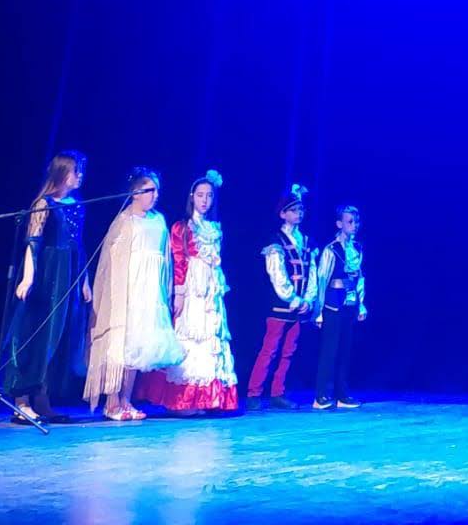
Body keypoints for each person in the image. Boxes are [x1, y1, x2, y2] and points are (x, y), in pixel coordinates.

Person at [83, 168, 184, 419]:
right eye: (149, 190)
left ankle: (126, 400)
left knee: (138, 348)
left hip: (150, 292)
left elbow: (166, 261)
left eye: (157, 190)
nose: (155, 195)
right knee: (121, 345)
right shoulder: (125, 221)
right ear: (135, 193)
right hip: (128, 292)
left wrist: (167, 292)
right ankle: (112, 402)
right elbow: (111, 262)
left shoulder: (159, 221)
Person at [136, 171, 237, 414]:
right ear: (192, 197)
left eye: (209, 196)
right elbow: (179, 261)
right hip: (192, 287)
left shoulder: (214, 227)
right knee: (191, 336)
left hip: (211, 288)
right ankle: (183, 399)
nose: (204, 200)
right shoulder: (182, 227)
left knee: (212, 337)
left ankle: (209, 398)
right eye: (200, 195)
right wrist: (179, 293)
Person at [1, 149, 88, 423]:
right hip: (46, 274)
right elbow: (33, 243)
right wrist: (28, 277)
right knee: (32, 333)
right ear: (62, 173)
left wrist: (84, 280)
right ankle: (21, 401)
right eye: (76, 170)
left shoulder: (77, 205)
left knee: (55, 337)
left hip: (67, 275)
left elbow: (79, 245)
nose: (80, 175)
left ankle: (42, 399)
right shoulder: (44, 203)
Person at [245, 185, 314, 410]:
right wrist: (292, 298)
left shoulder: (306, 241)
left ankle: (278, 393)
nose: (298, 214)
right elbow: (277, 274)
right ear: (283, 214)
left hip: (299, 306)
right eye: (293, 210)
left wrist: (308, 300)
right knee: (270, 349)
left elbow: (312, 273)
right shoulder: (276, 241)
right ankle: (254, 393)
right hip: (281, 305)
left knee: (289, 351)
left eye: (301, 210)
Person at [312, 204, 368, 410]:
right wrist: (318, 312)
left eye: (356, 221)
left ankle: (341, 394)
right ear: (339, 224)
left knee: (345, 350)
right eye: (350, 222)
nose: (354, 225)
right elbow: (322, 279)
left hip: (349, 304)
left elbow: (359, 278)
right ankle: (320, 395)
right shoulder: (331, 250)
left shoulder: (357, 248)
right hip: (332, 305)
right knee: (330, 350)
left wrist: (361, 305)